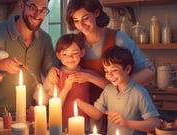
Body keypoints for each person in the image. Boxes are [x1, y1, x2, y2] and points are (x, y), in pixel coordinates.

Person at [63, 0, 155, 132]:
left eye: (85, 18)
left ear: (96, 12)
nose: (81, 25)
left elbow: (149, 73)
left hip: (119, 110)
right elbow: (63, 69)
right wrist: (54, 71)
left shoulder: (118, 39)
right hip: (88, 111)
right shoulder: (74, 43)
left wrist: (118, 86)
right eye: (76, 20)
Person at [76, 46, 161, 135]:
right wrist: (77, 102)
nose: (110, 75)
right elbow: (97, 114)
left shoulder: (139, 93)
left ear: (127, 69)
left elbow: (154, 123)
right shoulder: (108, 90)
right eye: (106, 71)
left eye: (114, 70)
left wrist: (126, 123)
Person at [34, 33, 102, 131]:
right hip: (61, 125)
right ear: (58, 55)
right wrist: (66, 88)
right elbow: (54, 108)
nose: (70, 58)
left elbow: (108, 86)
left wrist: (90, 78)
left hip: (83, 124)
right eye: (65, 54)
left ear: (82, 53)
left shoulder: (86, 74)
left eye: (74, 53)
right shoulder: (56, 75)